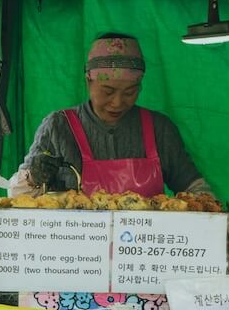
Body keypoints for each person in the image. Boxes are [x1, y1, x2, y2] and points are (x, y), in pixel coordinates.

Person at [11, 33, 211, 196]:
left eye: (130, 92)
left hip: (143, 243)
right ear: (88, 81)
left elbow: (194, 188)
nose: (117, 103)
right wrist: (33, 177)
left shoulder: (159, 128)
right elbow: (17, 197)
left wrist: (212, 215)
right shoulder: (58, 126)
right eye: (107, 91)